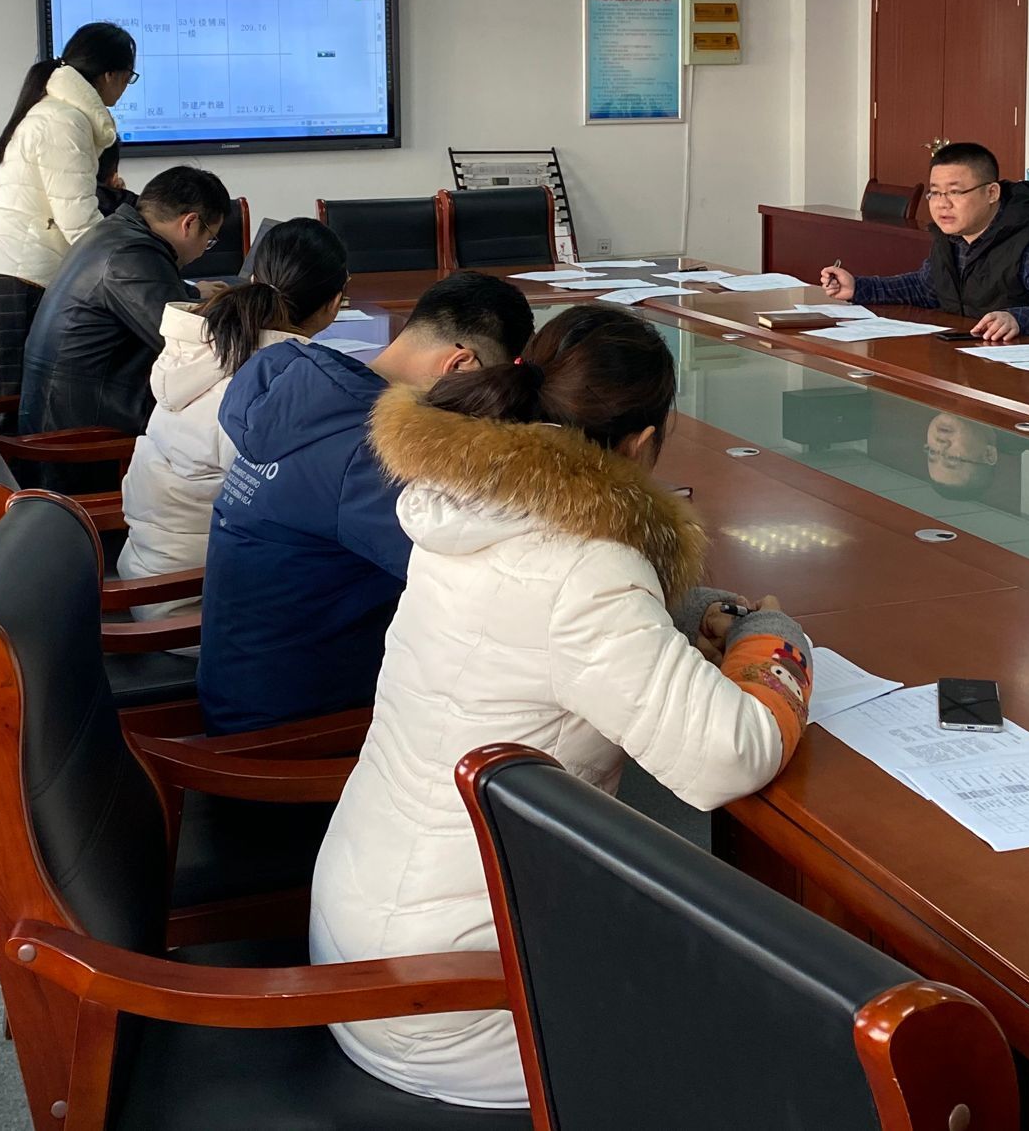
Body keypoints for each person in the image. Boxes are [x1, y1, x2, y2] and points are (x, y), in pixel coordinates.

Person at [309, 305, 814, 1109]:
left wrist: (691, 612)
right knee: (789, 1020)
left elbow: (542, 622)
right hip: (458, 1001)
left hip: (368, 936)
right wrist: (772, 635)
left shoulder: (468, 506)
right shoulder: (585, 566)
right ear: (641, 444)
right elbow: (732, 753)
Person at [197, 271, 535, 734]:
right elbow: (486, 582)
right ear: (461, 365)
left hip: (241, 680)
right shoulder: (371, 452)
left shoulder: (310, 397)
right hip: (295, 726)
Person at [117, 218, 350, 611]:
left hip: (147, 575)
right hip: (196, 607)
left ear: (254, 278)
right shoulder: (283, 386)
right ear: (334, 303)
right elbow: (308, 511)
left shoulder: (202, 352)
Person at [0, 22, 137, 402]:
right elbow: (80, 224)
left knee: (24, 402)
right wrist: (137, 268)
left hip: (14, 275)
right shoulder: (63, 122)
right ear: (111, 75)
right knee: (15, 406)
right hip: (14, 279)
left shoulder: (56, 113)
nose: (125, 87)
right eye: (128, 78)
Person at [15, 166, 231, 483]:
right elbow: (187, 347)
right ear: (190, 223)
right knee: (221, 437)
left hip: (64, 415)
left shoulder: (114, 233)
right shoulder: (133, 253)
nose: (202, 251)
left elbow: (147, 297)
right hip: (81, 444)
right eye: (209, 240)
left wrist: (194, 294)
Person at [819, 142, 1029, 341]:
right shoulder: (951, 236)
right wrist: (859, 287)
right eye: (935, 193)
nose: (942, 204)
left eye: (955, 192)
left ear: (992, 193)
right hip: (967, 359)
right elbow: (926, 287)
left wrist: (1017, 319)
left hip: (1026, 375)